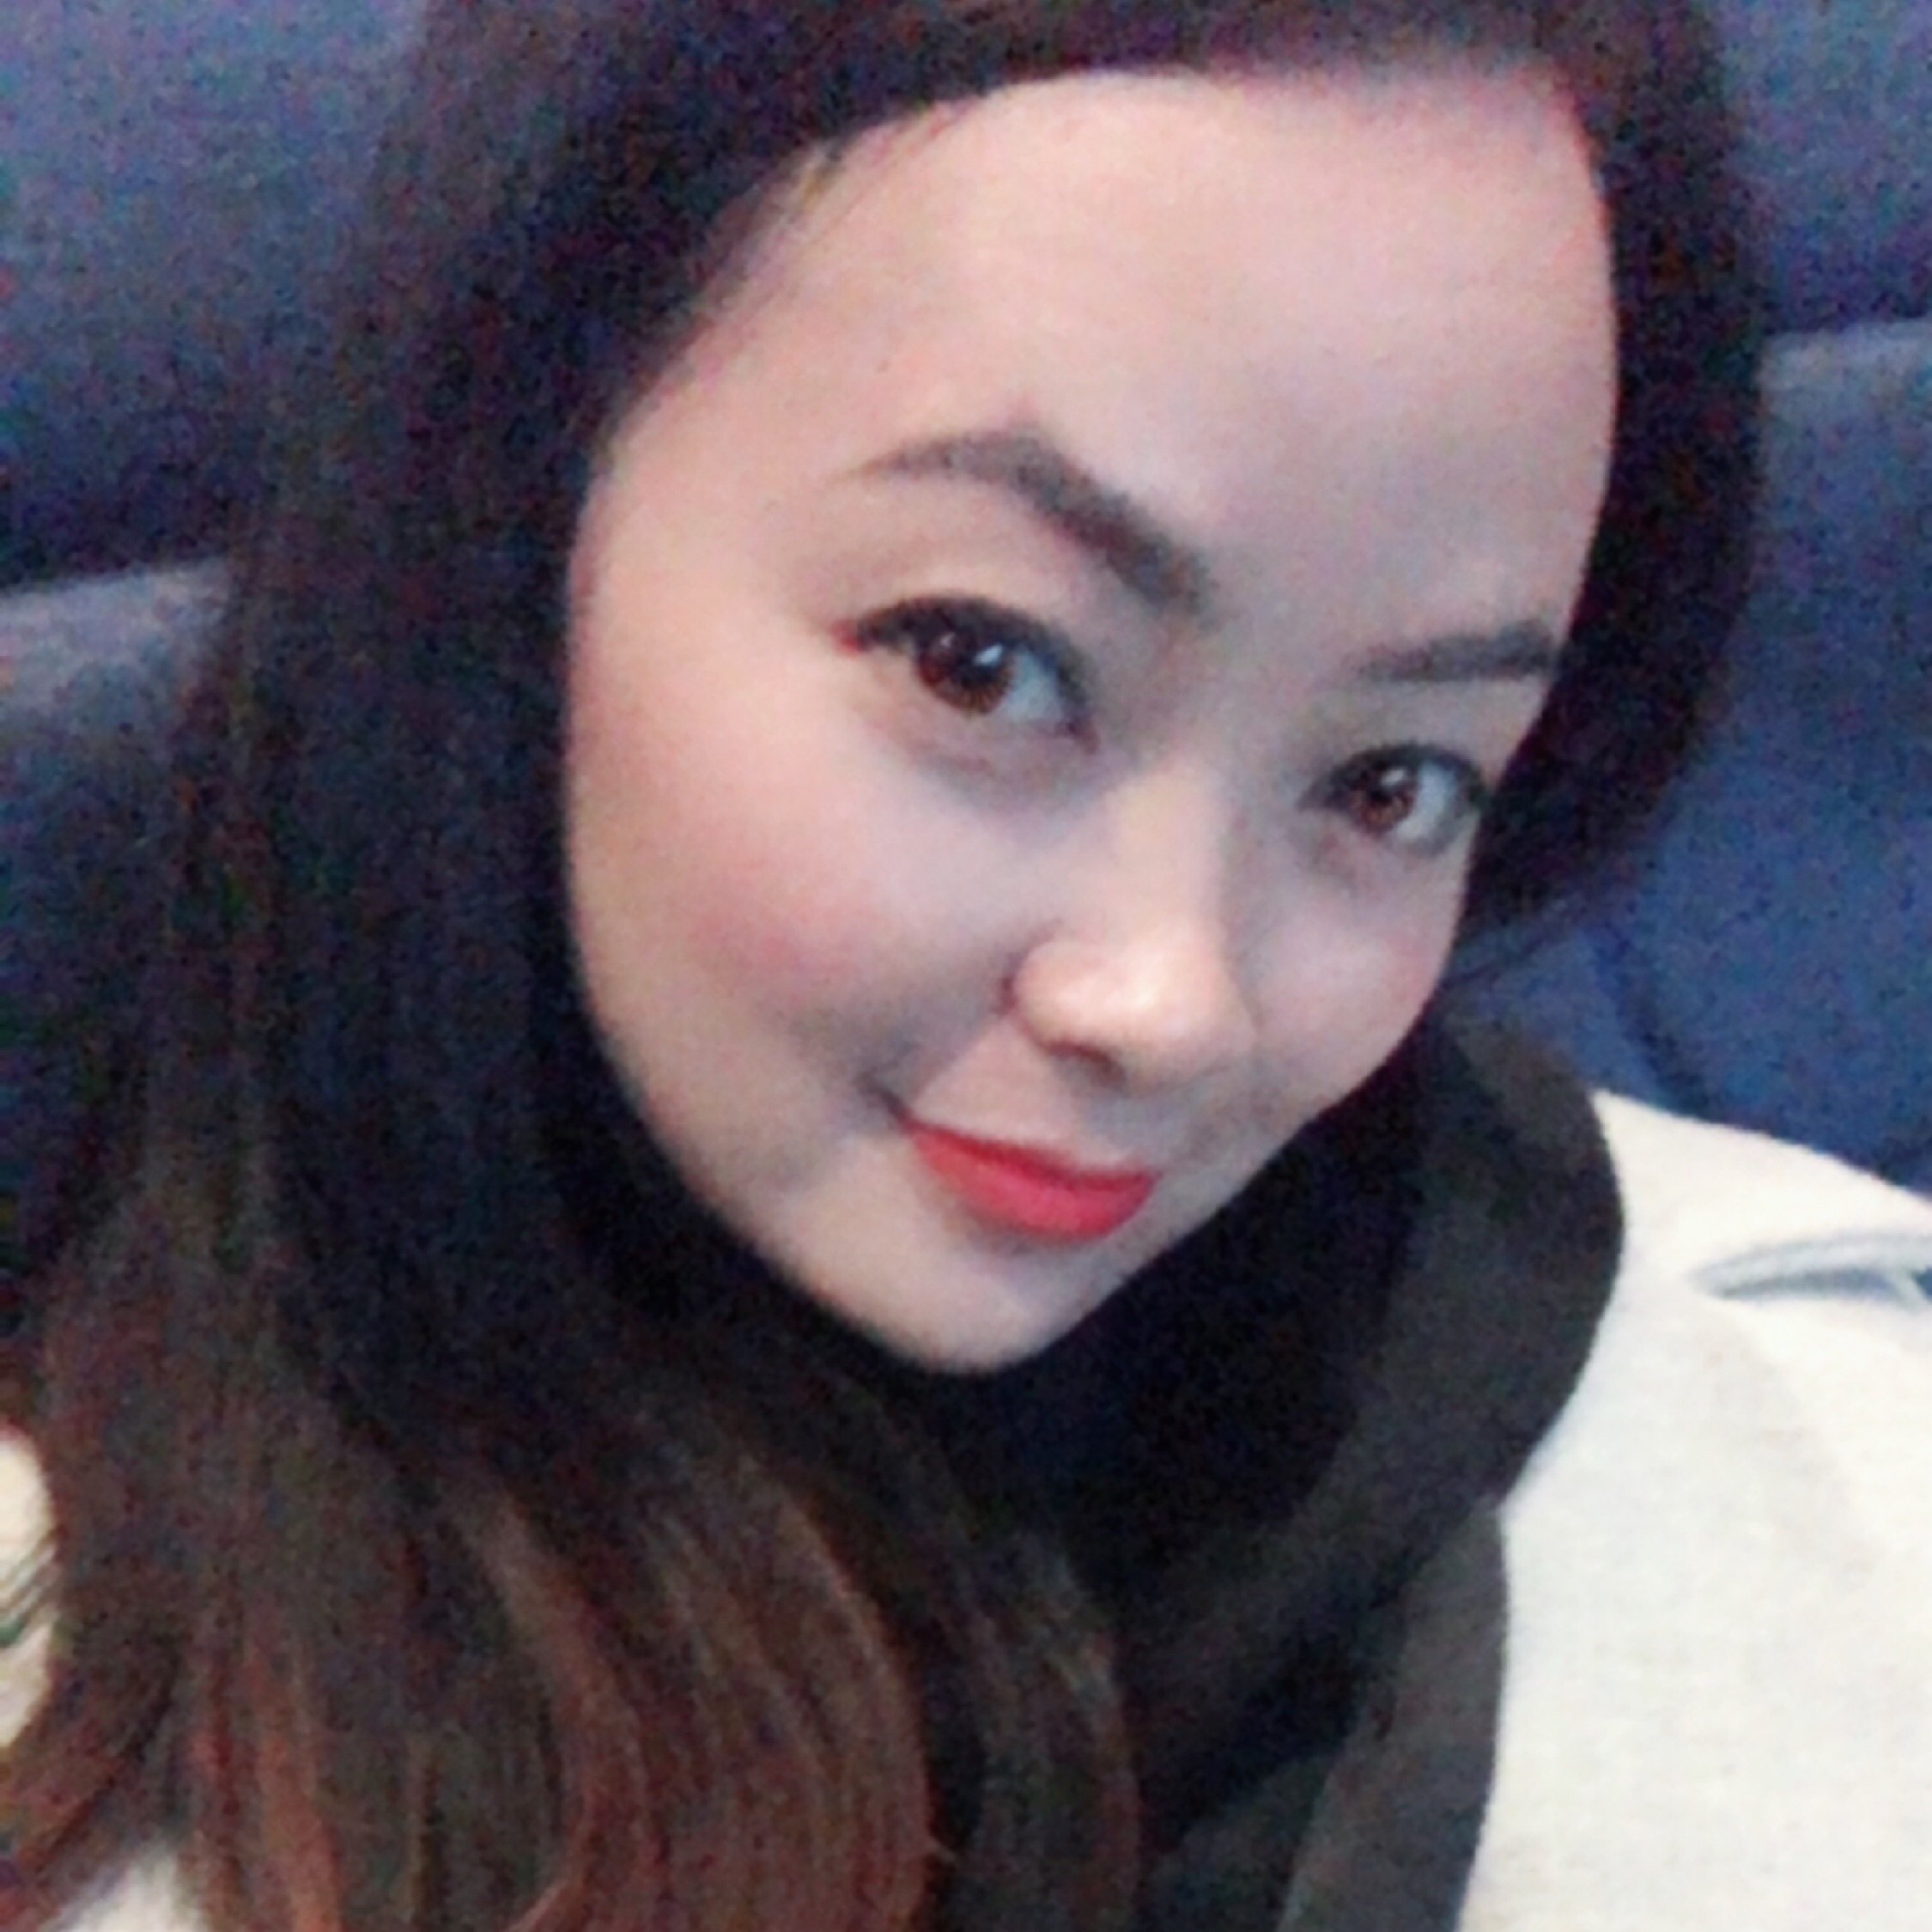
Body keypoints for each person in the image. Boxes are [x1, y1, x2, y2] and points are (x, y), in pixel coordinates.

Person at [3, 2, 1927, 1929]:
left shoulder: (1808, 1449)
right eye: (982, 664)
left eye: (1389, 783)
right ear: (508, 526)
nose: (1175, 1001)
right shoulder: (83, 1669)